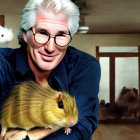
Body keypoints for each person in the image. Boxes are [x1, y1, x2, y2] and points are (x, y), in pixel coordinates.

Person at [0, 0, 101, 139]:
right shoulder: (3, 63)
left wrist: (30, 135)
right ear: (25, 35)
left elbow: (81, 127)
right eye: (42, 32)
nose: (50, 48)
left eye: (61, 35)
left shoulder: (85, 66)